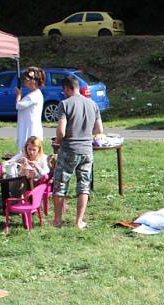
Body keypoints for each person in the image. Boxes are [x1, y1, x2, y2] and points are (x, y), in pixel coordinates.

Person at [53, 75, 103, 229]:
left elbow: (61, 130)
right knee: (84, 186)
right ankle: (79, 221)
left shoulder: (64, 104)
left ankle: (57, 220)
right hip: (87, 150)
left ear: (67, 88)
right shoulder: (92, 104)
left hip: (69, 149)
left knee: (61, 184)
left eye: (64, 90)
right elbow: (99, 130)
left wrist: (58, 141)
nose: (64, 93)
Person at [12, 67, 45, 162]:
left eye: (27, 80)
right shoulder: (34, 94)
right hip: (27, 125)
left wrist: (18, 95)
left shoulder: (34, 96)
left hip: (30, 128)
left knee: (29, 150)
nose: (25, 82)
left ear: (33, 82)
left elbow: (19, 105)